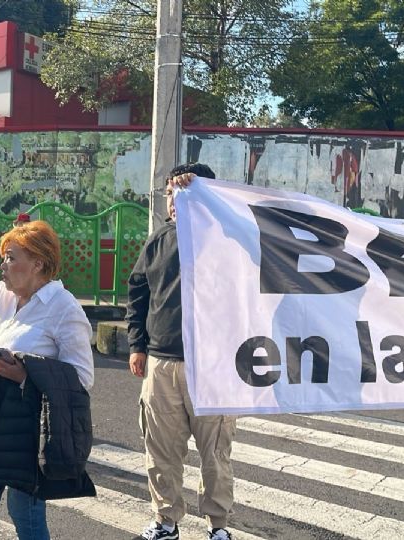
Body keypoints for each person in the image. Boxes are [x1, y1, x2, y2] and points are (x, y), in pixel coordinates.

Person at [0, 221, 95, 540]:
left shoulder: (64, 308)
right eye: (3, 257)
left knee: (23, 508)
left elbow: (81, 377)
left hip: (30, 424)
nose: (3, 265)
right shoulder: (3, 296)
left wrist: (26, 374)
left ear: (38, 264)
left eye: (11, 258)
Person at [126, 163, 236, 540]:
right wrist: (137, 344)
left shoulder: (226, 237)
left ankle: (218, 525)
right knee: (160, 450)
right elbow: (138, 291)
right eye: (170, 193)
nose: (173, 200)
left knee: (215, 453)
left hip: (214, 366)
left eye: (183, 192)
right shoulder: (158, 240)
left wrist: (206, 199)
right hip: (162, 361)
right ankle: (166, 520)